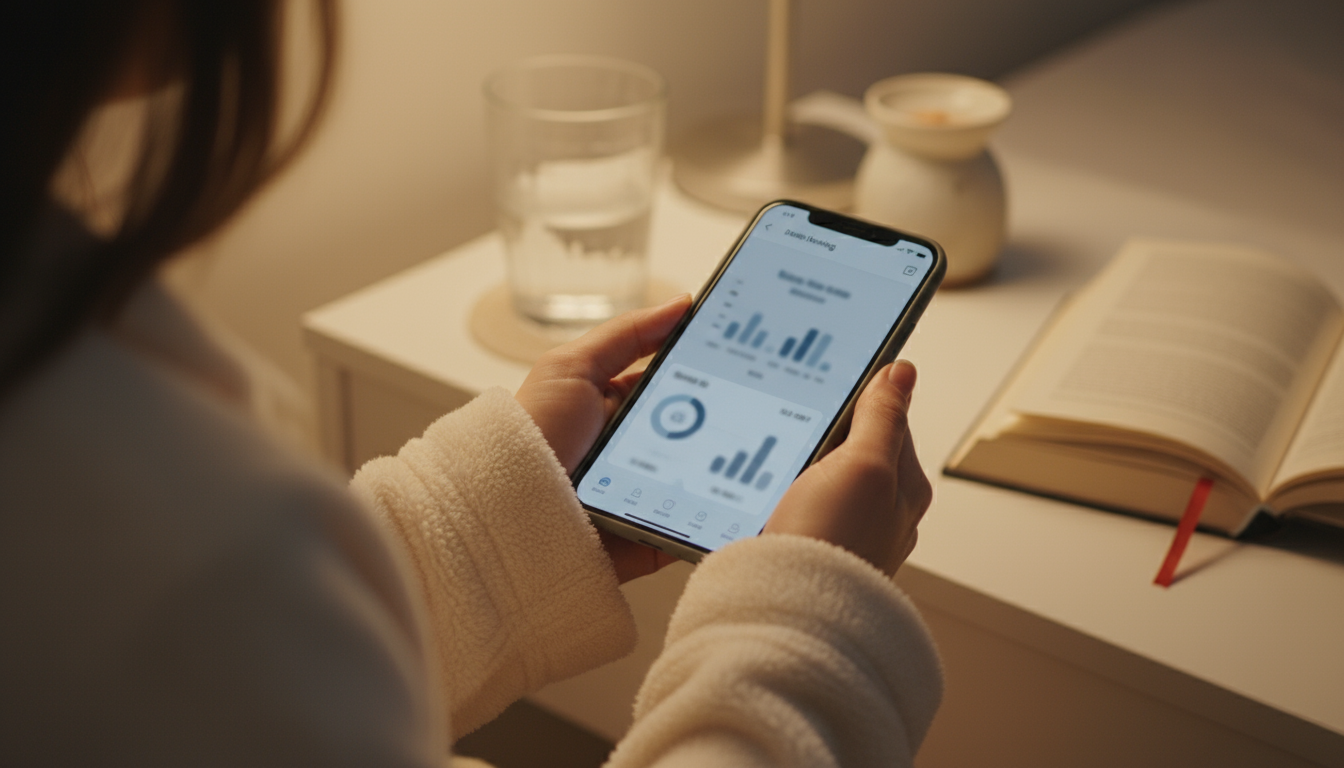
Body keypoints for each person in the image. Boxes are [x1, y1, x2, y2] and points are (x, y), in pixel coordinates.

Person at [0, 1, 943, 765]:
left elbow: (212, 688)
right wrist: (812, 620)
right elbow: (211, 631)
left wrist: (491, 519)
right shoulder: (163, 540)